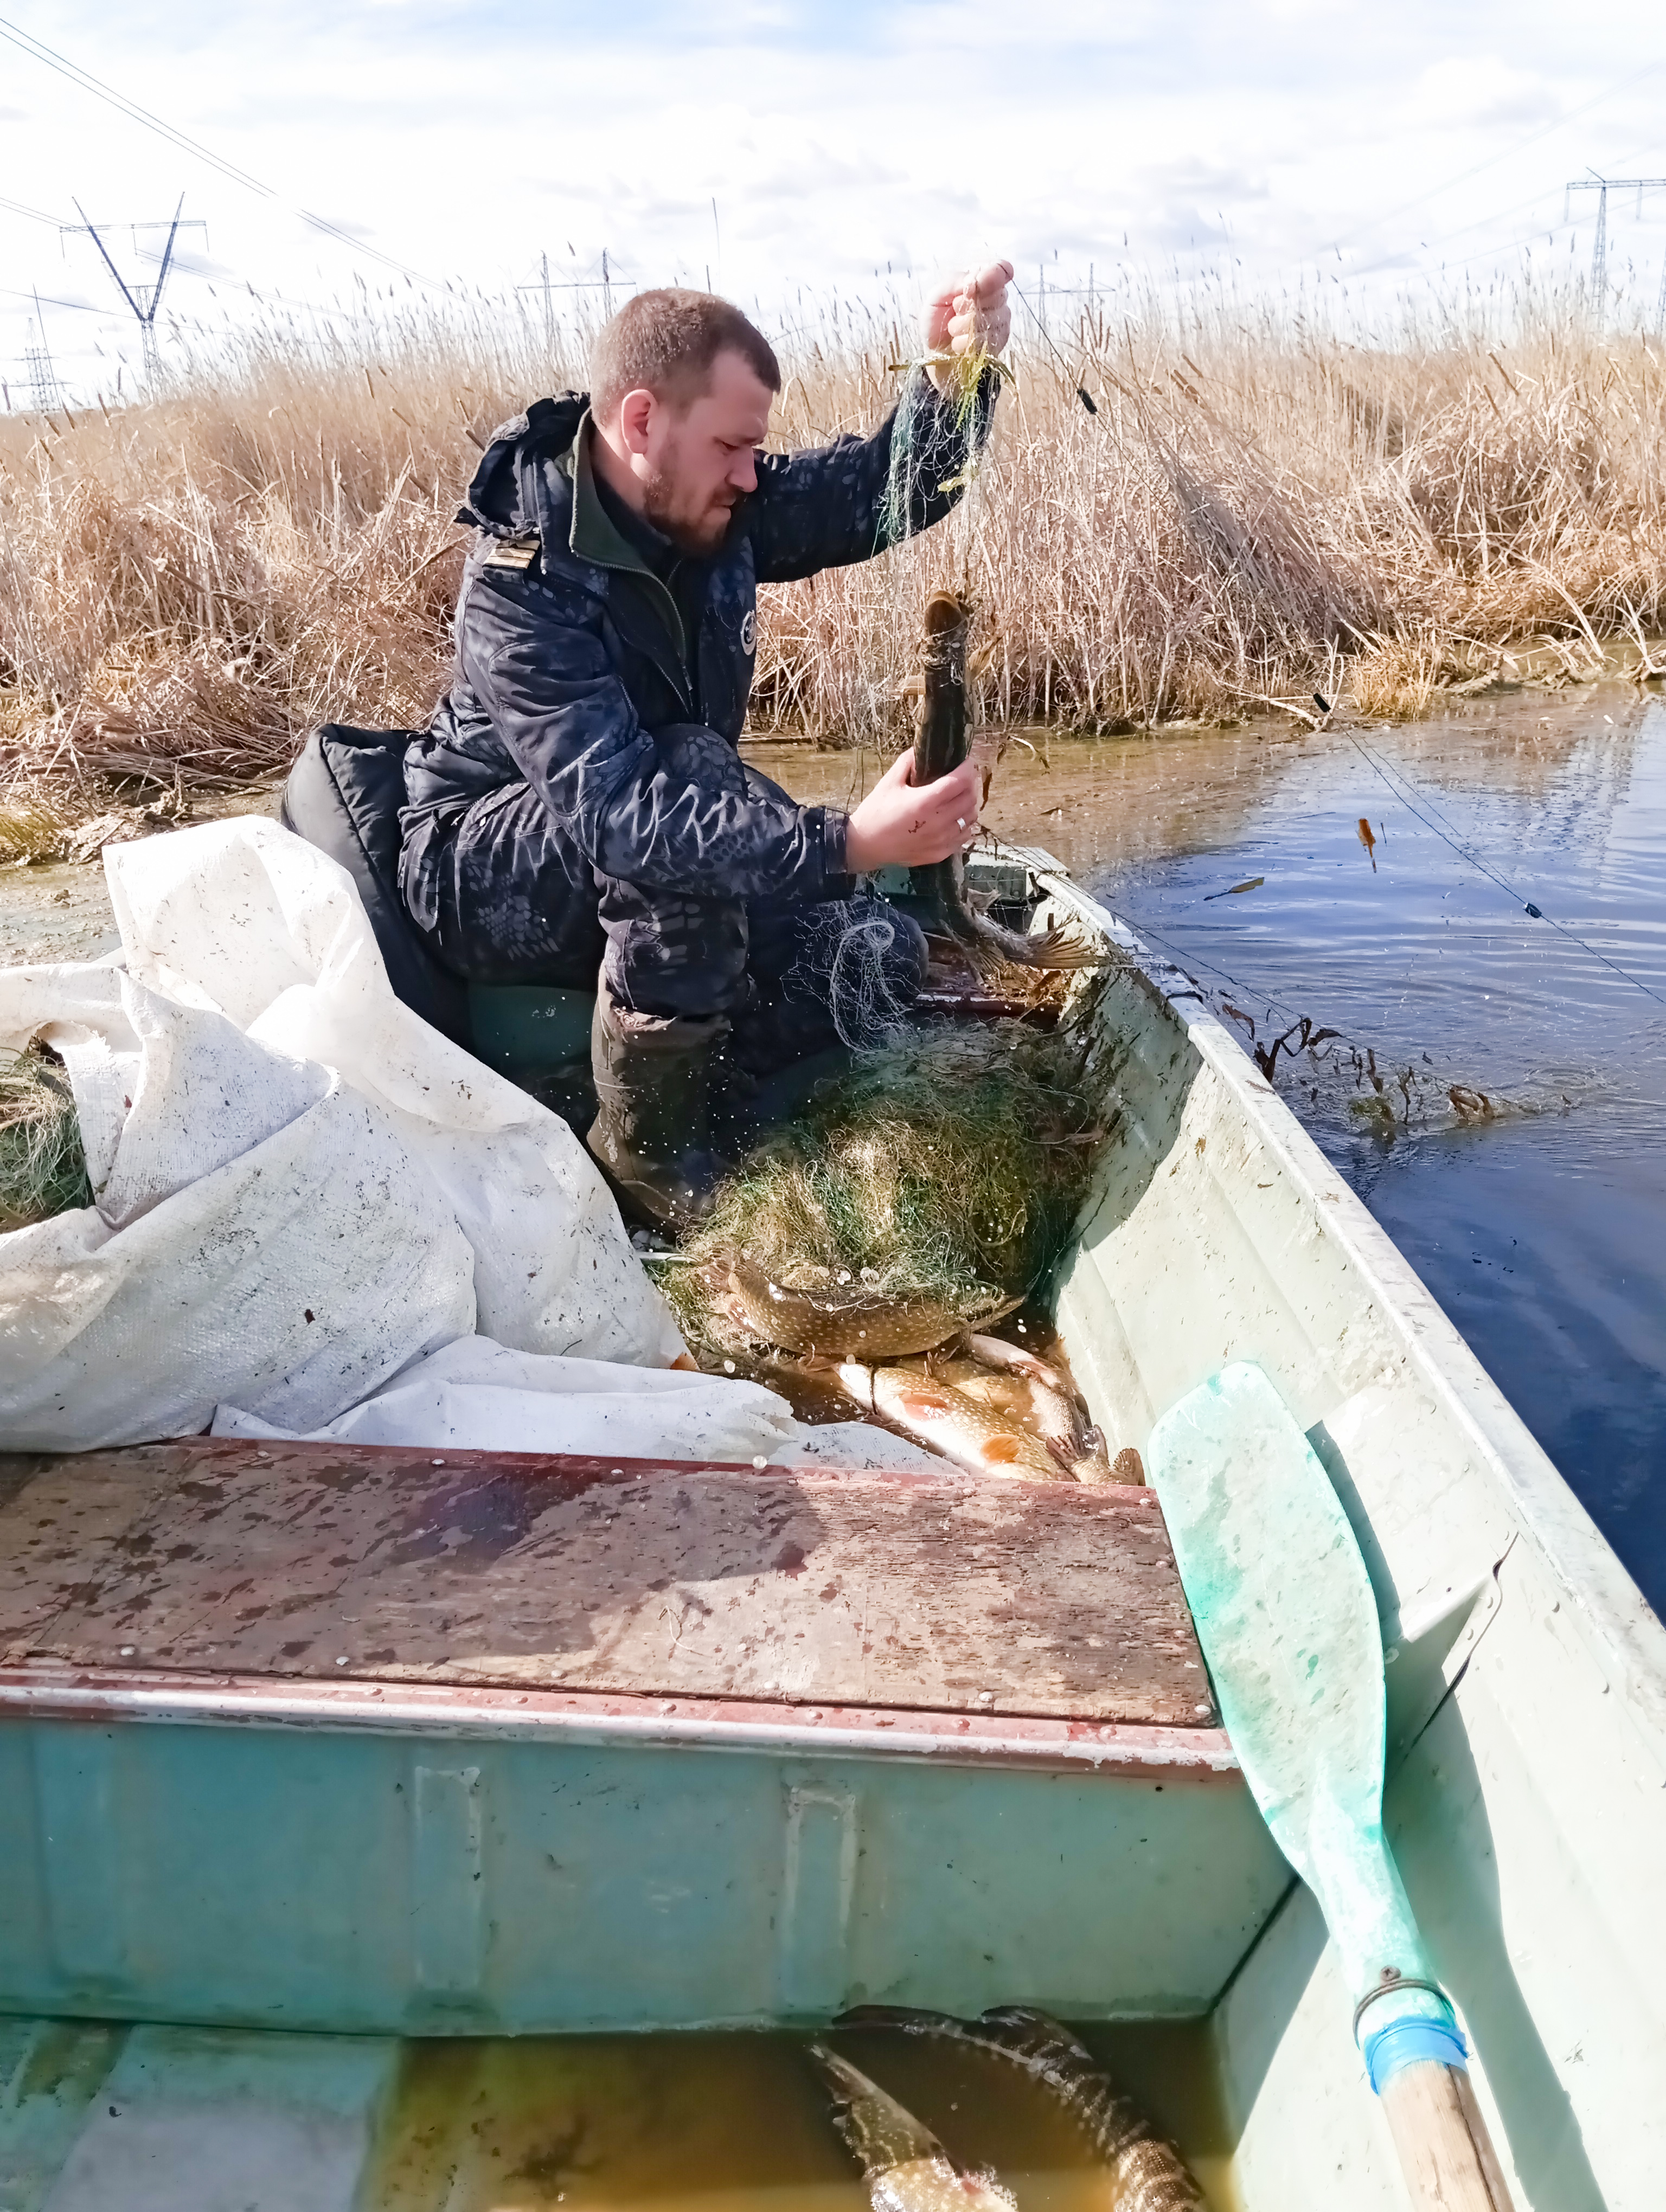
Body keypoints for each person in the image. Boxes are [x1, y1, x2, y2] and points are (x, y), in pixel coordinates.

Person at [399, 261, 1015, 1222]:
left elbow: (877, 492)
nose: (750, 473)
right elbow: (622, 816)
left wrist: (949, 382)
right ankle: (650, 1158)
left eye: (755, 450)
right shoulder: (519, 583)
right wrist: (849, 841)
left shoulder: (716, 505)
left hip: (647, 826)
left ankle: (731, 1099)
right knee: (691, 786)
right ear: (641, 422)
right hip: (481, 863)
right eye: (733, 445)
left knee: (873, 947)